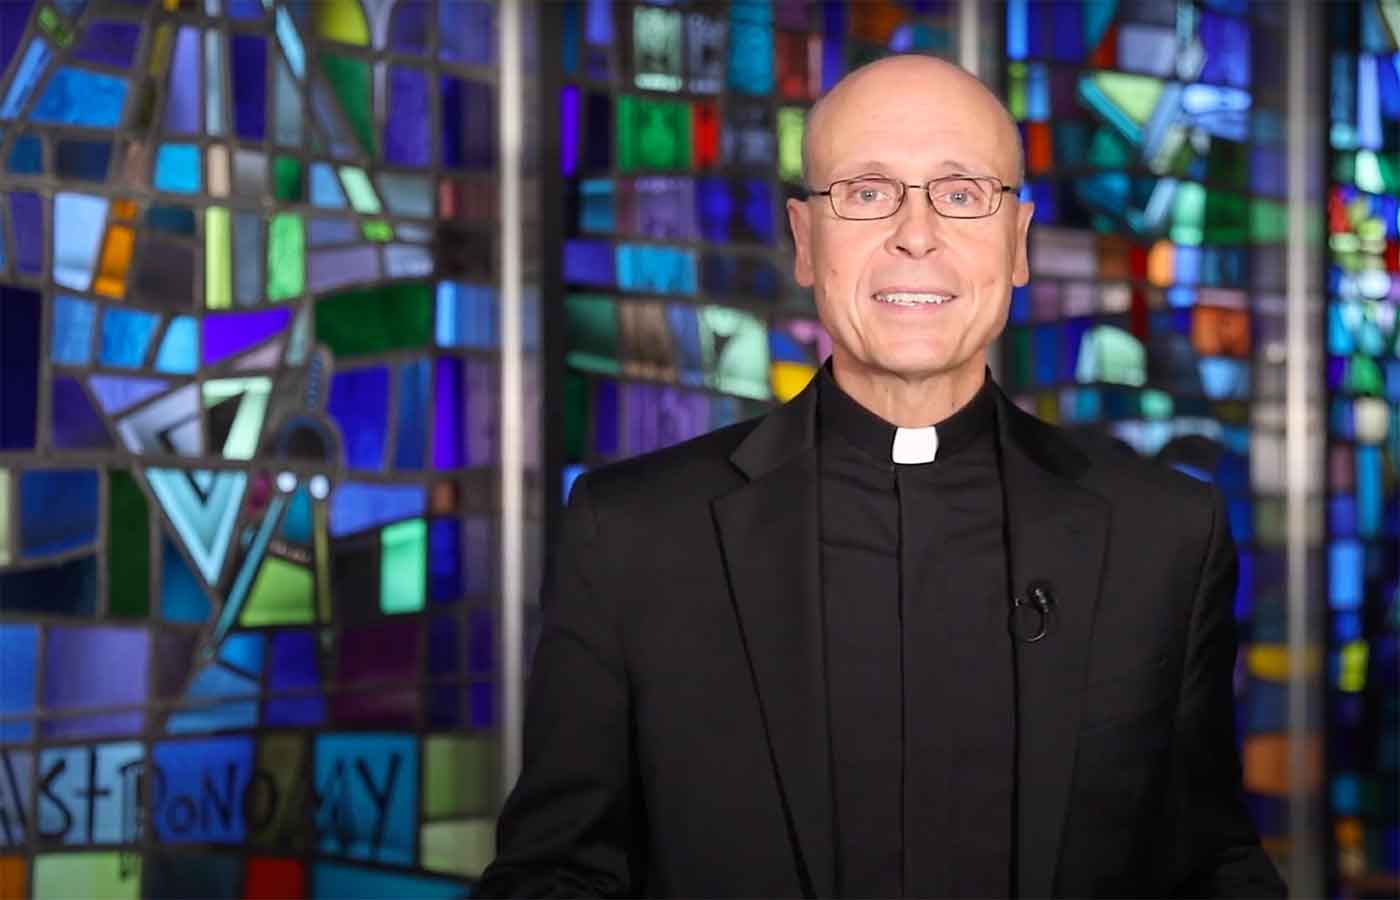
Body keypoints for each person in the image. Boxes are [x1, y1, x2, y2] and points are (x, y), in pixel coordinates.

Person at [477, 55, 1286, 899]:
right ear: (804, 239)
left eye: (962, 193)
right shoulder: (633, 535)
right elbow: (555, 877)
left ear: (1018, 242)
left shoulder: (1165, 536)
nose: (916, 233)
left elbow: (1210, 866)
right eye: (867, 191)